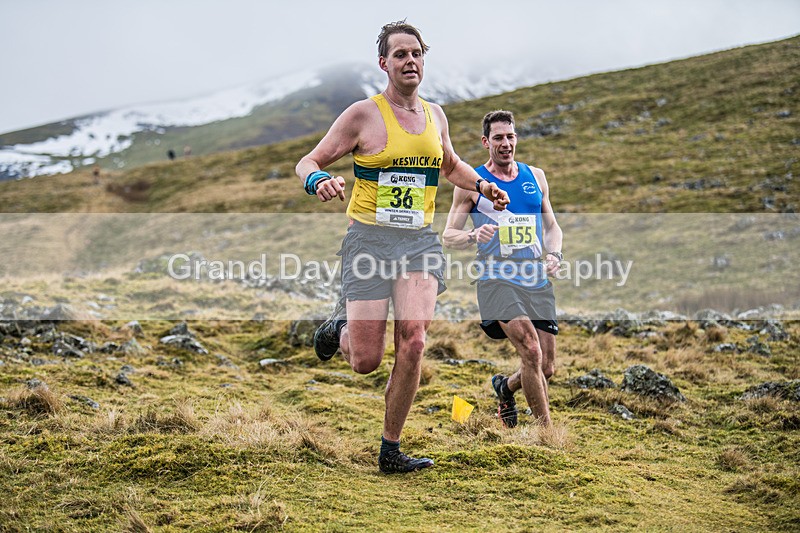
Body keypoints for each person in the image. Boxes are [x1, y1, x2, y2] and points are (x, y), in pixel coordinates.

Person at [295, 21, 509, 473]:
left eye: (416, 53)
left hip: (418, 242)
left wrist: (483, 186)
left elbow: (450, 164)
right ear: (384, 63)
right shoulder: (362, 115)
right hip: (369, 241)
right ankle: (339, 328)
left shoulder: (436, 116)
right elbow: (308, 161)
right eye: (400, 55)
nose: (410, 61)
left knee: (414, 341)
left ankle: (390, 450)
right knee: (366, 361)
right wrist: (318, 180)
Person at [443, 110, 563, 427]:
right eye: (498, 138)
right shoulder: (472, 183)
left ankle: (505, 387)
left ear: (516, 138)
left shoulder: (535, 176)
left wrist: (555, 254)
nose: (505, 143)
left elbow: (552, 226)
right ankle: (548, 435)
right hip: (496, 279)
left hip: (535, 278)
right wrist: (473, 235)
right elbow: (448, 235)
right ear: (486, 142)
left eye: (510, 136)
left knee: (546, 367)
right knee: (531, 352)